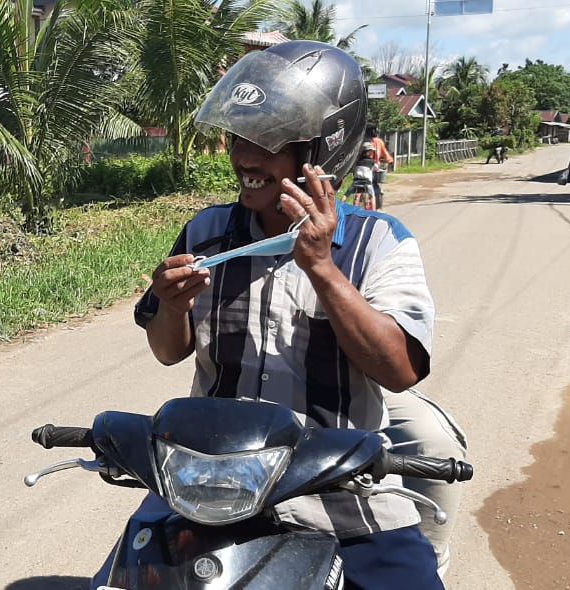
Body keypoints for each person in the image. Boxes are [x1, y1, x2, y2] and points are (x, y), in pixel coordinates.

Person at [127, 40, 466, 588]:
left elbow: (400, 371)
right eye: (238, 138)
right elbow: (169, 352)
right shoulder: (206, 233)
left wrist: (323, 271)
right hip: (213, 483)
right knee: (120, 575)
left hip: (339, 491)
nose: (244, 158)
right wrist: (172, 306)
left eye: (267, 141)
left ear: (323, 148)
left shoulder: (378, 243)